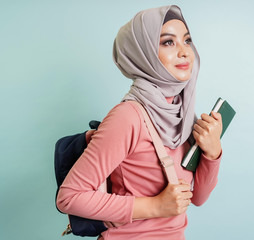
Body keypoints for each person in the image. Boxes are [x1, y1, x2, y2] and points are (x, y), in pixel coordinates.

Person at [57, 5, 223, 240]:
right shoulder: (128, 117)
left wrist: (212, 153)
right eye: (168, 42)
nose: (185, 51)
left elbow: (198, 198)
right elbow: (69, 197)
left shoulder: (183, 115)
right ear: (143, 53)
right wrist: (155, 206)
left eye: (187, 40)